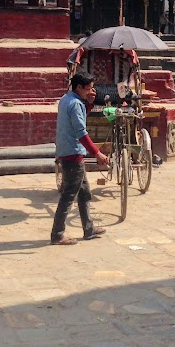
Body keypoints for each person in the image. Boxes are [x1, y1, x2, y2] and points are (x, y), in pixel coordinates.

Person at [51, 72, 109, 245]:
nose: (91, 91)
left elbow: (79, 122)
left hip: (68, 151)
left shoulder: (66, 99)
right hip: (73, 153)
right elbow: (81, 132)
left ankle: (88, 228)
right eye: (88, 88)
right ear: (79, 87)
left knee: (84, 192)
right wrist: (96, 153)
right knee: (69, 196)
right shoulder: (75, 104)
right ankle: (57, 234)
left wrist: (89, 104)